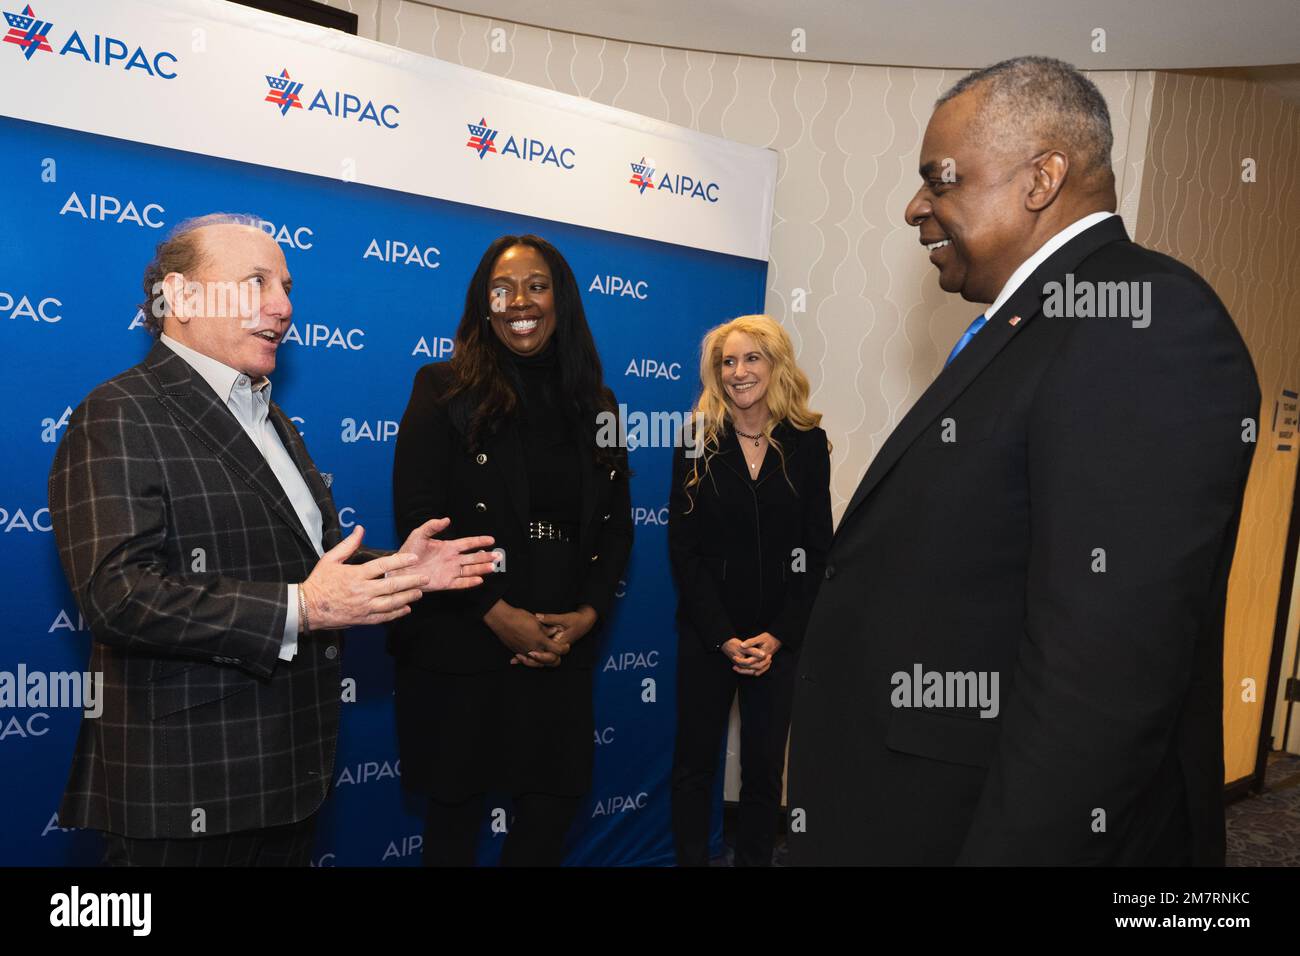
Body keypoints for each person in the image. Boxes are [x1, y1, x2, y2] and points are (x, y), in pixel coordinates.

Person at [786, 56, 1261, 865]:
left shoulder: (1140, 323)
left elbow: (1099, 689)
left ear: (1041, 178)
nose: (916, 207)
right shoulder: (1035, 327)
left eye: (940, 181)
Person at [48, 213, 497, 867]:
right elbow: (117, 595)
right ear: (181, 297)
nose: (283, 308)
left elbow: (302, 564)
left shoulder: (269, 417)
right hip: (186, 788)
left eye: (286, 286)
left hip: (288, 777)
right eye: (256, 283)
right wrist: (303, 609)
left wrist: (400, 570)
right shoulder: (119, 413)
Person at [391, 233, 633, 867]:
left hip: (558, 648)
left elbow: (615, 526)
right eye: (501, 289)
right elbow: (419, 518)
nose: (518, 301)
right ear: (483, 303)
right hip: (466, 641)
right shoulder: (442, 387)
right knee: (454, 815)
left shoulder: (597, 403)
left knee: (554, 804)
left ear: (561, 299)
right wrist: (496, 614)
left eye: (536, 285)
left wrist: (588, 615)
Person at [668, 315, 831, 866]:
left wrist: (779, 636)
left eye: (750, 359)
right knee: (694, 765)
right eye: (727, 362)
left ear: (776, 363)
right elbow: (683, 552)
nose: (738, 372)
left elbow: (817, 550)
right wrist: (721, 637)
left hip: (776, 642)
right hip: (708, 636)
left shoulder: (807, 444)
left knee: (764, 772)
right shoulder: (697, 442)